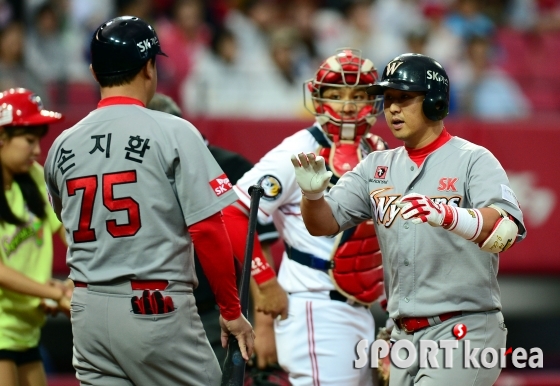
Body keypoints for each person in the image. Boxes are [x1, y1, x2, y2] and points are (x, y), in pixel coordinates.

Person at [43, 16, 254, 386]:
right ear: (150, 66)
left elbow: (66, 220)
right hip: (154, 308)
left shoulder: (62, 144)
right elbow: (208, 229)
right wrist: (231, 310)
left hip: (87, 309)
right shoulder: (172, 130)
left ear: (94, 72)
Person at [293, 53, 527, 386]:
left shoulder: (473, 159)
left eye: (404, 98)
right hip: (402, 335)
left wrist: (449, 215)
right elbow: (322, 223)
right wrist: (312, 196)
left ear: (434, 102)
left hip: (463, 329)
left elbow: (507, 229)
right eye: (388, 100)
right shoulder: (377, 165)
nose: (392, 109)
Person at [222, 48, 388, 386]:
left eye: (358, 95)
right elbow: (233, 212)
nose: (348, 105)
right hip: (315, 307)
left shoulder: (377, 148)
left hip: (363, 307)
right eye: (336, 94)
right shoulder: (297, 149)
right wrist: (265, 280)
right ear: (318, 97)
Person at [146, 92, 282, 371]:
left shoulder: (232, 167)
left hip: (216, 311)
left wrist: (264, 324)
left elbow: (256, 248)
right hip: (155, 309)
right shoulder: (142, 169)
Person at [0, 88, 71, 386]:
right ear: (2, 138)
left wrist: (74, 282)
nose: (37, 150)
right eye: (29, 141)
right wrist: (54, 293)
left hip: (27, 331)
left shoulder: (34, 178)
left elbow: (73, 235)